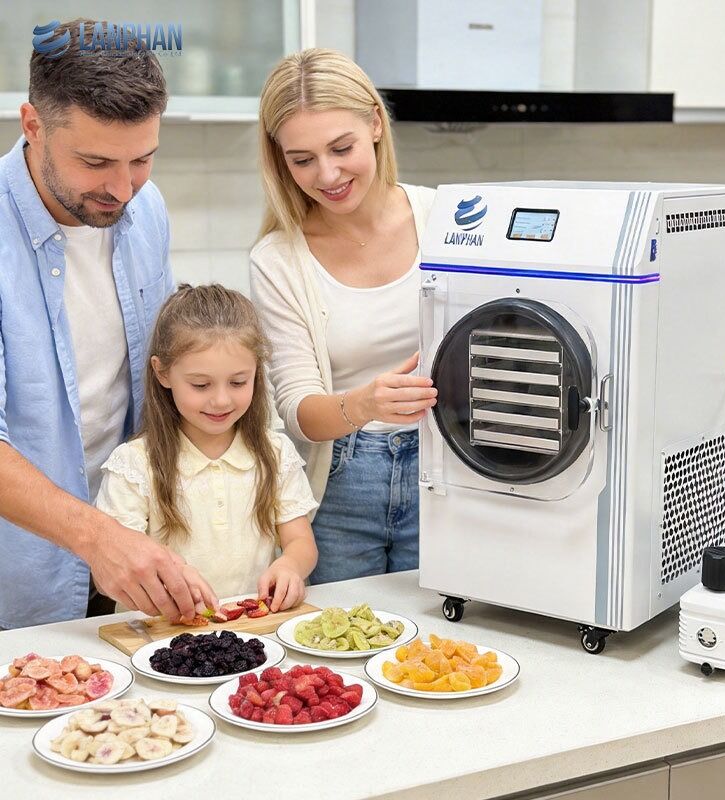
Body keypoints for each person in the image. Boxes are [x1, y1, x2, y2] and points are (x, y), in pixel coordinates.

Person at [0, 19, 216, 629]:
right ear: (33, 125)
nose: (122, 188)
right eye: (95, 161)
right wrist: (98, 539)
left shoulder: (147, 211)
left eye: (142, 159)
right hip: (22, 575)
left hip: (128, 553)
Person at [250, 49, 438, 584]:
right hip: (340, 485)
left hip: (447, 471)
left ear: (375, 123)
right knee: (342, 629)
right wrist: (364, 403)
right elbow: (297, 411)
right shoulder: (278, 259)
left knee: (444, 630)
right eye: (302, 159)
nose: (327, 174)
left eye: (341, 148)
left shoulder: (446, 220)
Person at [96, 284, 319, 609]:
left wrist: (290, 566)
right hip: (159, 631)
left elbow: (300, 541)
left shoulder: (276, 453)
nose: (221, 400)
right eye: (201, 385)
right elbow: (116, 560)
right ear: (162, 372)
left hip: (252, 629)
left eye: (238, 382)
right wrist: (171, 576)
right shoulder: (133, 464)